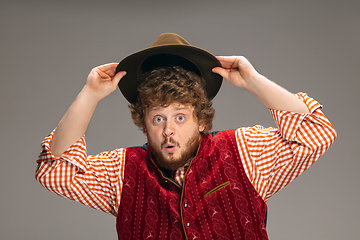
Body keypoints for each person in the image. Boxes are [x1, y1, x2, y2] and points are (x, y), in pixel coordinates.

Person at [36, 33, 336, 240]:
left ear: (201, 121)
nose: (169, 130)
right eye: (158, 118)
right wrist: (89, 95)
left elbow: (317, 132)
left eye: (180, 117)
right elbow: (54, 170)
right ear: (143, 125)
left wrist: (254, 82)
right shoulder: (120, 172)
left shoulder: (245, 152)